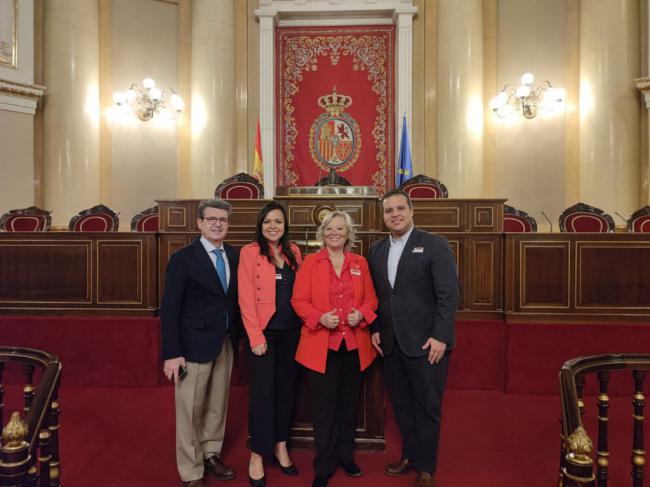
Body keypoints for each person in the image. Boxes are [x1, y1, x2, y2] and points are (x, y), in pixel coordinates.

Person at [368, 189, 459, 487]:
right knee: (402, 404)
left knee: (427, 406)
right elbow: (379, 298)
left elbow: (448, 296)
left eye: (399, 209)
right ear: (383, 216)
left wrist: (441, 337)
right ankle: (409, 453)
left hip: (427, 345)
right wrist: (376, 329)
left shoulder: (434, 245)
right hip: (392, 345)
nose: (394, 214)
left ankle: (426, 468)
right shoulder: (377, 251)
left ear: (411, 210)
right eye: (389, 211)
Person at [291, 211, 378, 487]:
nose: (335, 233)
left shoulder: (360, 263)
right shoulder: (310, 263)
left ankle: (345, 457)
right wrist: (319, 318)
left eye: (340, 228)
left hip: (354, 345)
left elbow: (373, 300)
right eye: (330, 228)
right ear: (323, 233)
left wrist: (361, 314)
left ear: (348, 233)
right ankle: (324, 464)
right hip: (321, 347)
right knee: (324, 409)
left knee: (349, 406)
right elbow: (298, 301)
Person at [161, 198, 242, 487]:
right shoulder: (184, 258)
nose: (218, 224)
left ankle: (211, 453)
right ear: (200, 223)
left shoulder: (235, 255)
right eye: (212, 219)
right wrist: (172, 353)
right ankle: (191, 470)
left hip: (225, 342)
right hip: (192, 345)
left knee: (217, 404)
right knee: (190, 409)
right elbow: (170, 309)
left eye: (222, 220)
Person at [238, 201, 303, 487]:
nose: (273, 226)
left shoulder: (294, 252)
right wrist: (255, 336)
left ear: (285, 225)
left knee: (286, 392)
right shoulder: (250, 253)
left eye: (278, 221)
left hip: (292, 334)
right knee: (262, 395)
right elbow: (245, 297)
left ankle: (280, 445)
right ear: (260, 225)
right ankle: (257, 455)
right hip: (264, 335)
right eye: (268, 222)